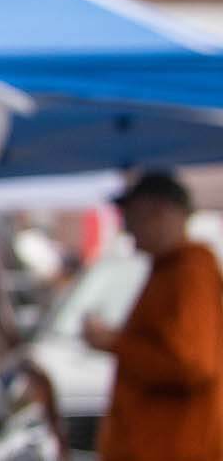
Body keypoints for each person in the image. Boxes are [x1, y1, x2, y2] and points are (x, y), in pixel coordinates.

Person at [84, 169, 223, 460]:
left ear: (161, 212)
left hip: (176, 447)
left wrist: (115, 343)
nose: (128, 227)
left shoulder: (189, 273)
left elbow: (191, 365)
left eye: (132, 215)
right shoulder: (168, 270)